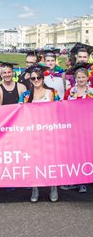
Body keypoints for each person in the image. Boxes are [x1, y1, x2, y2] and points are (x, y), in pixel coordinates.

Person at [18, 64, 60, 203]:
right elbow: (18, 113)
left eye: (39, 77)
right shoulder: (26, 95)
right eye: (33, 78)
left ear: (43, 78)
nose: (36, 80)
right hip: (32, 134)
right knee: (34, 161)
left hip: (50, 132)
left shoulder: (52, 93)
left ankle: (53, 186)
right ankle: (35, 188)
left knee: (51, 160)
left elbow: (61, 110)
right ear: (30, 80)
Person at [61, 63, 93, 193]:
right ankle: (73, 179)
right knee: (73, 154)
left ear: (87, 78)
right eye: (78, 77)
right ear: (75, 78)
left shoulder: (91, 92)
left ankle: (83, 182)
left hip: (87, 127)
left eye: (83, 77)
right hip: (72, 127)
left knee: (85, 154)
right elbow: (63, 106)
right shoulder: (70, 92)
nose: (80, 80)